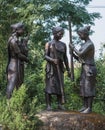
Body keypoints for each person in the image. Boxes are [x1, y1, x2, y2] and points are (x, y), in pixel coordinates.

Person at [69, 26, 97, 114]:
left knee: (89, 87)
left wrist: (73, 48)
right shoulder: (84, 44)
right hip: (84, 67)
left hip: (90, 68)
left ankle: (89, 107)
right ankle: (84, 106)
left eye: (80, 35)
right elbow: (80, 59)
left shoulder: (89, 44)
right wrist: (73, 55)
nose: (79, 36)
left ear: (85, 34)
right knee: (83, 86)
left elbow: (80, 53)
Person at [44, 26, 71, 111]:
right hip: (51, 68)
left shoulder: (63, 44)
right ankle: (49, 105)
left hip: (60, 67)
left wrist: (68, 69)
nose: (61, 36)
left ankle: (60, 104)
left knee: (60, 85)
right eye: (60, 34)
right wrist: (52, 60)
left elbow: (65, 57)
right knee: (49, 86)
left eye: (62, 34)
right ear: (55, 33)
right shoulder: (49, 44)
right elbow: (45, 56)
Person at [6, 23, 29, 99]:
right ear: (17, 30)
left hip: (16, 64)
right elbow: (19, 55)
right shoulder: (13, 41)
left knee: (17, 84)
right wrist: (26, 59)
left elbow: (24, 51)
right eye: (22, 29)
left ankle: (16, 103)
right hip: (14, 64)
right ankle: (9, 104)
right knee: (12, 84)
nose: (23, 31)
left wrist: (25, 43)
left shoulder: (16, 40)